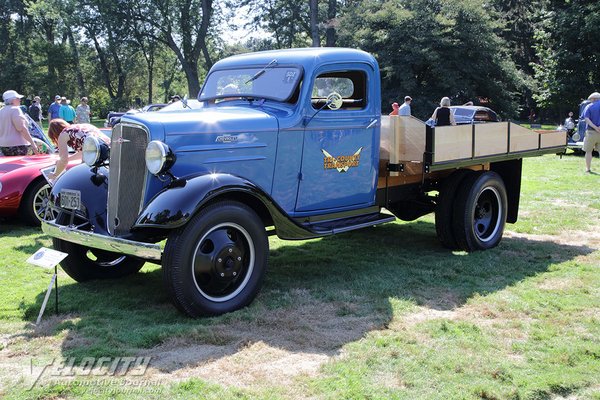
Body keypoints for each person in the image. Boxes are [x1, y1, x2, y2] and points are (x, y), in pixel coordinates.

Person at [0, 90, 39, 156]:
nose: (20, 100)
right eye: (17, 98)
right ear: (12, 100)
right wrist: (32, 143)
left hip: (3, 145)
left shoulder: (1, 111)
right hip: (17, 145)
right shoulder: (15, 109)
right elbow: (21, 128)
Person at [582, 92, 600, 173]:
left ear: (593, 99)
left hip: (591, 132)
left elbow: (586, 119)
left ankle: (588, 169)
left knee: (588, 151)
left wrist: (595, 127)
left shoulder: (589, 106)